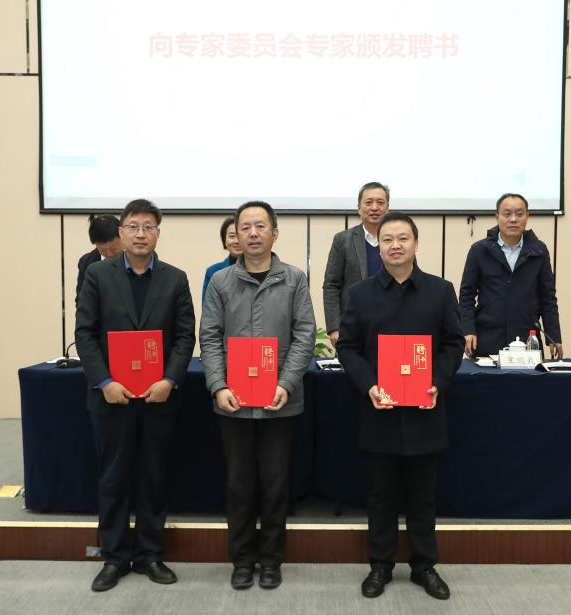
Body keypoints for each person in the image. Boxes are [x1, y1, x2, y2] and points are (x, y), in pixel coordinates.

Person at [335, 212, 465, 601]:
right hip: (381, 409)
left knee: (423, 495)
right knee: (381, 495)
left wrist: (437, 382)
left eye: (403, 238)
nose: (395, 245)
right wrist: (370, 386)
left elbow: (453, 344)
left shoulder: (440, 291)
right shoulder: (360, 294)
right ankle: (380, 565)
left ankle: (424, 566)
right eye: (388, 239)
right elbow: (348, 348)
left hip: (425, 410)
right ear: (379, 247)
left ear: (416, 244)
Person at [74, 199, 196, 592]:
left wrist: (170, 380)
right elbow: (85, 333)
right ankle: (113, 557)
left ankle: (149, 555)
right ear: (121, 232)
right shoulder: (98, 274)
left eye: (148, 227)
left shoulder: (175, 278)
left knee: (153, 477)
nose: (140, 234)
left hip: (159, 397)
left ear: (158, 232)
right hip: (113, 397)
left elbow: (185, 336)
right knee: (113, 478)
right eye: (133, 227)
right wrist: (104, 381)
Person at [199, 201, 316, 591]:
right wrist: (218, 386)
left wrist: (286, 383)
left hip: (281, 402)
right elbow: (209, 337)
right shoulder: (220, 282)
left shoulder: (294, 279)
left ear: (274, 234)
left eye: (260, 226)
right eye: (245, 227)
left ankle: (271, 559)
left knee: (276, 484)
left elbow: (304, 335)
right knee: (239, 484)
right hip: (233, 403)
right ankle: (242, 559)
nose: (252, 233)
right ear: (236, 234)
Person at [458, 193, 563, 359]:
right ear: (497, 217)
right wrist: (468, 330)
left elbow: (548, 298)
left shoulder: (539, 251)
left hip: (527, 339)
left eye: (519, 214)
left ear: (527, 217)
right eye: (507, 214)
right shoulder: (479, 250)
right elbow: (466, 296)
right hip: (487, 338)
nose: (513, 219)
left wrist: (554, 337)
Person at [323, 181, 390, 346]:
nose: (374, 208)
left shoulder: (398, 242)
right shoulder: (343, 240)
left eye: (380, 202)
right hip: (353, 327)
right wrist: (334, 328)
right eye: (369, 202)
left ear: (387, 208)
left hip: (391, 325)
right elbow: (331, 285)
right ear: (359, 208)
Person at [76, 214, 122, 307]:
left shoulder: (136, 257)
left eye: (113, 249)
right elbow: (81, 302)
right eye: (103, 250)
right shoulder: (87, 262)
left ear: (122, 235)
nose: (109, 254)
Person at [201, 216, 242, 297]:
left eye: (240, 236)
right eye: (232, 236)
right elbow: (208, 304)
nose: (237, 241)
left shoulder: (258, 269)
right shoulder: (213, 271)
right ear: (224, 241)